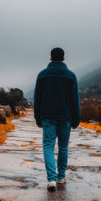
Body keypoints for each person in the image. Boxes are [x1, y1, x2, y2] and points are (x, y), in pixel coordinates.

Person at [33, 47, 81, 192]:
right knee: (63, 147)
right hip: (65, 117)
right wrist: (76, 119)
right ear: (63, 58)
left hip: (48, 117)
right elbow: (75, 99)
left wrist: (37, 118)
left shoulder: (42, 75)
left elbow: (37, 99)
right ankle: (61, 177)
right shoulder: (70, 75)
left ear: (51, 58)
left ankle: (51, 180)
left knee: (48, 146)